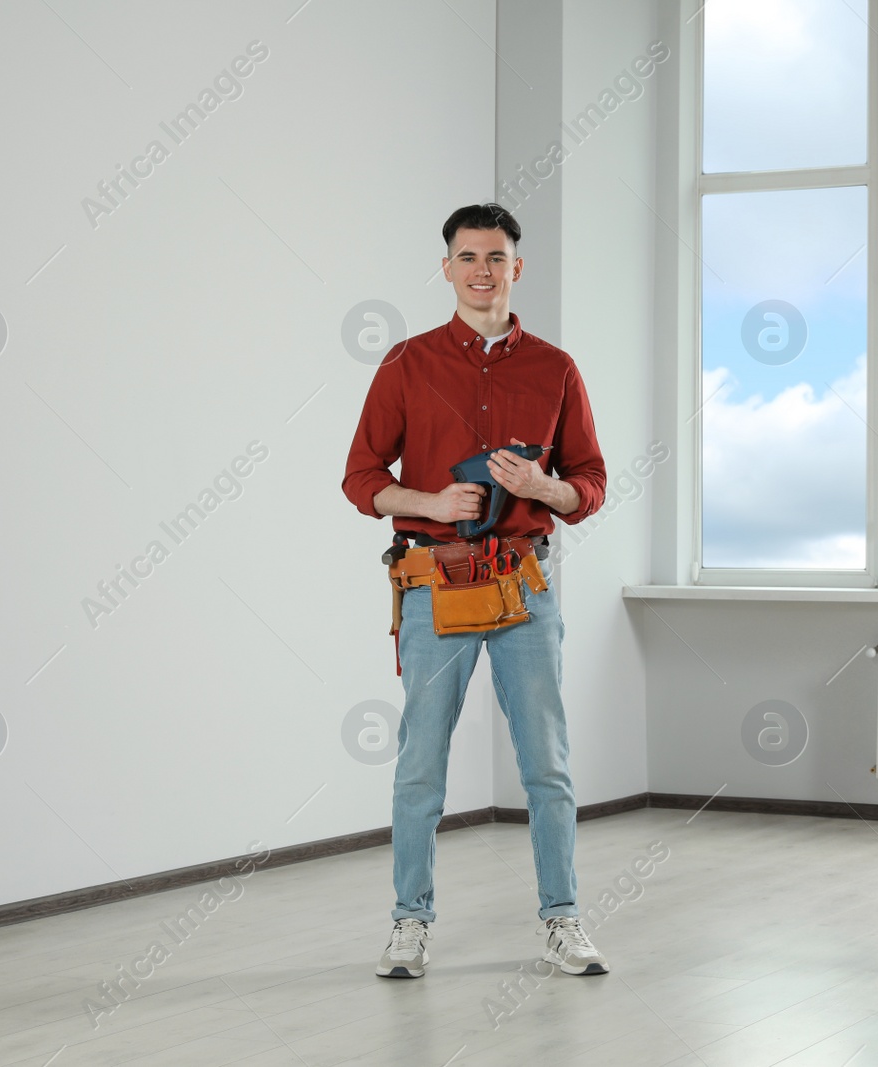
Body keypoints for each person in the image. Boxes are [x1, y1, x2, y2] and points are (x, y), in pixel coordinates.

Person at [342, 202, 610, 979]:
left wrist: (543, 485)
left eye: (496, 256)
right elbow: (361, 479)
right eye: (468, 257)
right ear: (447, 267)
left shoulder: (556, 369)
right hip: (435, 584)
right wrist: (428, 502)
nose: (482, 270)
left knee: (547, 762)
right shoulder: (405, 364)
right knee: (420, 761)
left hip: (525, 586)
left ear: (516, 268)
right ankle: (408, 923)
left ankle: (562, 919)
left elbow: (591, 483)